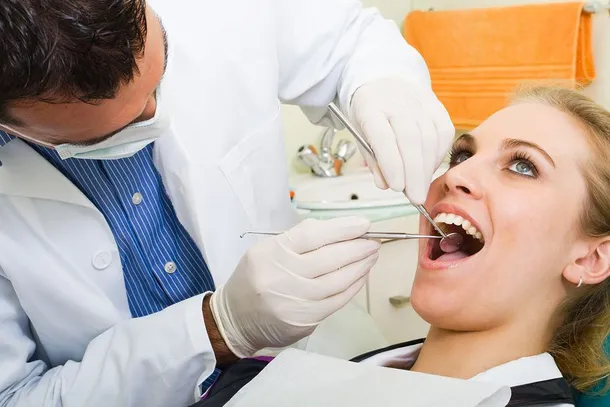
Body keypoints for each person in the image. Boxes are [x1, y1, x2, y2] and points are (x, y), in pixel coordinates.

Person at [0, 1, 455, 406]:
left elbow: (346, 42)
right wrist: (217, 328)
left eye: (158, 82)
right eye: (112, 131)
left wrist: (380, 82)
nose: (156, 114)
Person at [194, 85, 610, 407]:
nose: (453, 176)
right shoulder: (280, 375)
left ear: (591, 258)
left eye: (523, 166)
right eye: (462, 155)